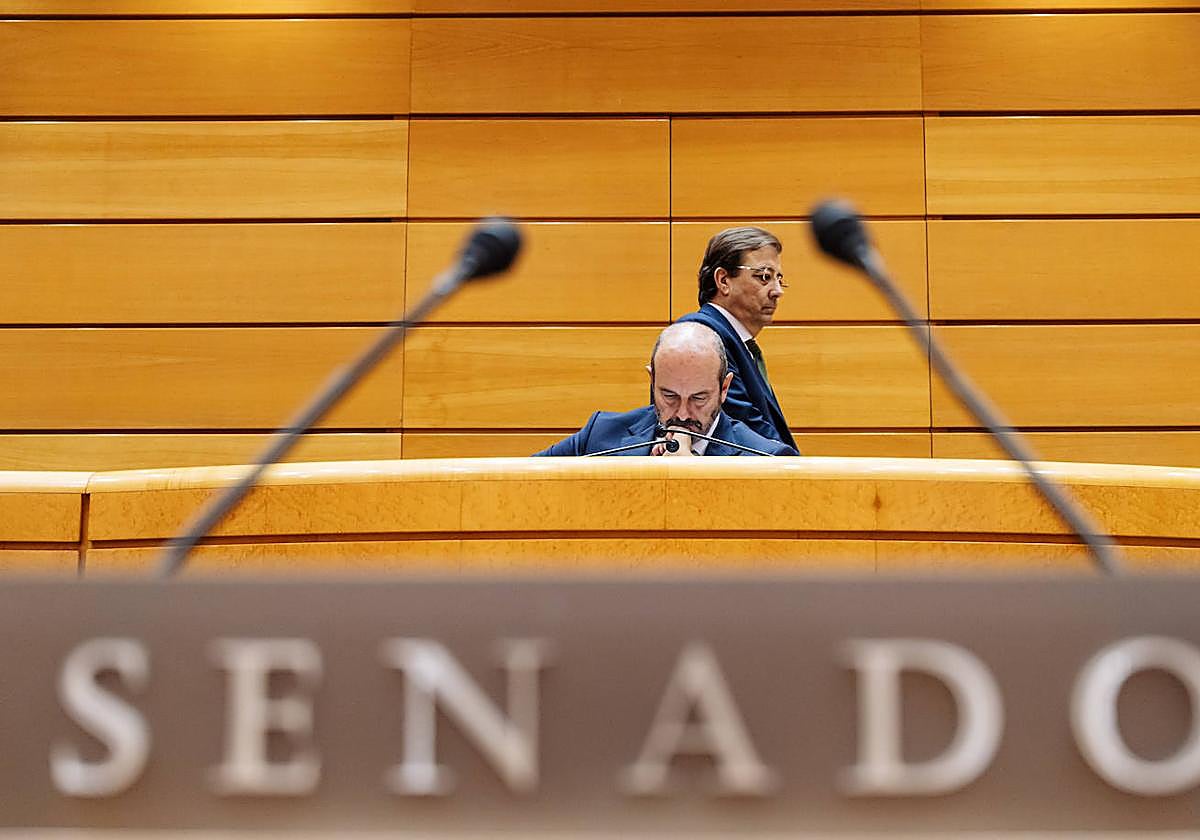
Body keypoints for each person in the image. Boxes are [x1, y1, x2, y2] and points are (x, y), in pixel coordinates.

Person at [534, 322, 797, 457]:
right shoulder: (600, 434)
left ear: (724, 388)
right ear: (652, 382)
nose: (682, 414)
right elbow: (518, 485)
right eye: (669, 396)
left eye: (699, 398)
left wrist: (692, 480)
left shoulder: (765, 458)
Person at [676, 226, 798, 452]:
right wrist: (793, 468)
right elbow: (742, 428)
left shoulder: (733, 340)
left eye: (778, 278)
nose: (777, 290)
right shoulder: (701, 338)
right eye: (764, 277)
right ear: (723, 280)